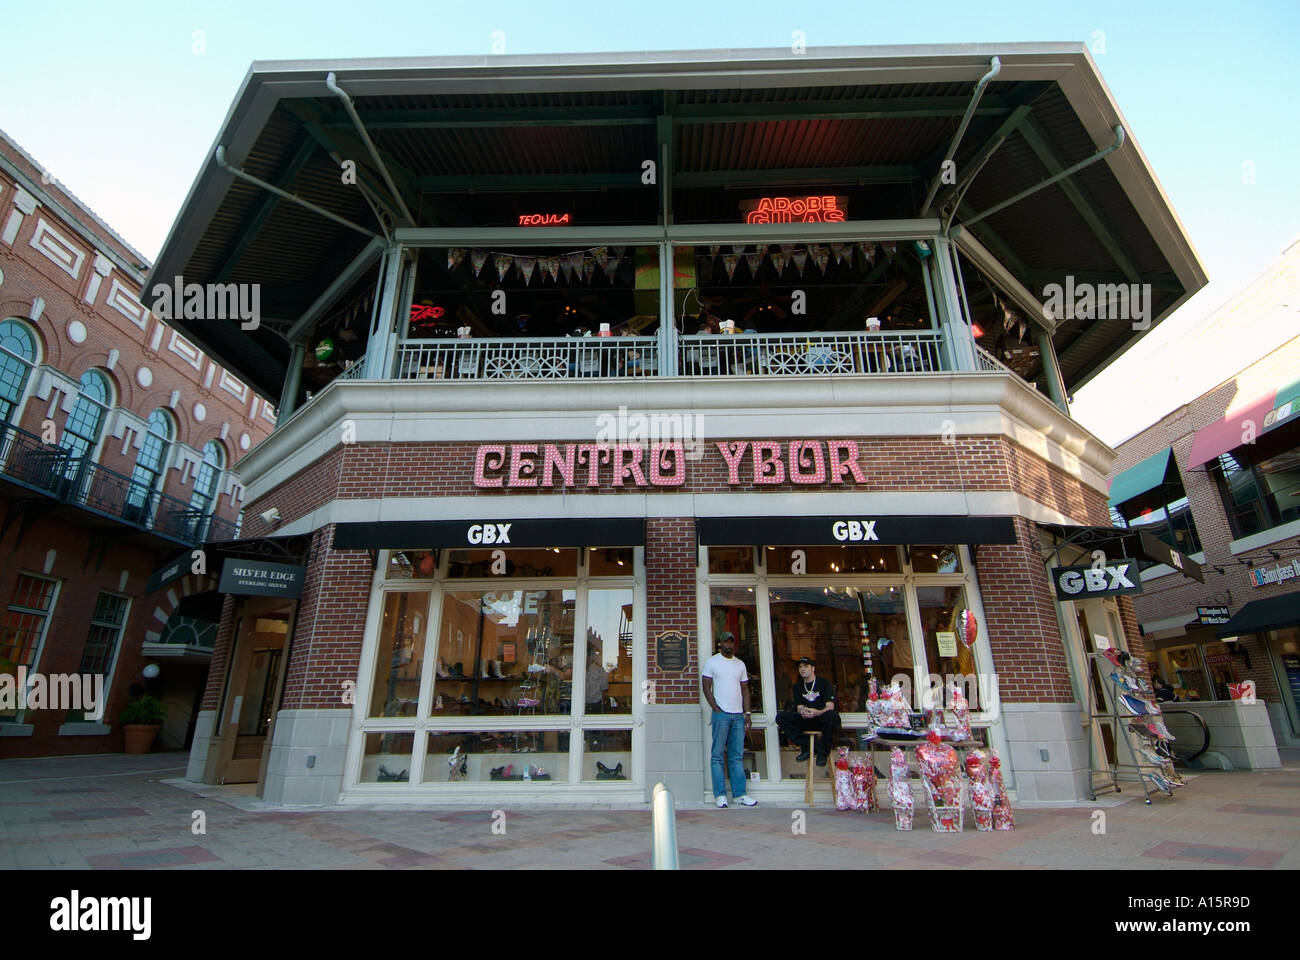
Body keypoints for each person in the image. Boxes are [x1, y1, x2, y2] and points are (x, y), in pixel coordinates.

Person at [701, 631, 758, 808]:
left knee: (736, 756)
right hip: (722, 714)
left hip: (738, 715)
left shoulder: (739, 664)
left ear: (734, 645)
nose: (728, 645)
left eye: (731, 642)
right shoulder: (712, 662)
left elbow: (745, 689)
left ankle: (740, 794)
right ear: (720, 644)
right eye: (725, 642)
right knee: (717, 755)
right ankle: (720, 795)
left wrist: (747, 713)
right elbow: (705, 686)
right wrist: (715, 708)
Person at [775, 656, 841, 766]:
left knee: (832, 716)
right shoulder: (797, 686)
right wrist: (803, 711)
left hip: (822, 718)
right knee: (781, 717)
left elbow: (830, 706)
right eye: (800, 667)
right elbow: (799, 707)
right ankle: (809, 746)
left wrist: (816, 712)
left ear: (813, 668)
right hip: (807, 720)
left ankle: (822, 753)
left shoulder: (824, 683)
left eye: (806, 666)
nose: (802, 669)